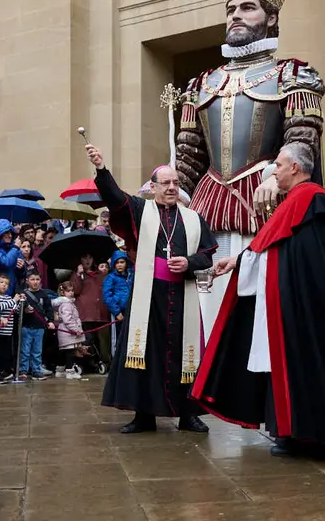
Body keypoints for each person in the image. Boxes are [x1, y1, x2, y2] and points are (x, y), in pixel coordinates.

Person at [196, 142, 325, 457]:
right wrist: (238, 261)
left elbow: (302, 257)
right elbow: (275, 248)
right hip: (294, 301)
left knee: (305, 366)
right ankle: (292, 431)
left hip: (306, 304)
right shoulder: (295, 201)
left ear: (295, 168)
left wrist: (255, 265)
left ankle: (310, 434)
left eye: (278, 165)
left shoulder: (311, 199)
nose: (275, 171)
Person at [174, 0, 325, 338]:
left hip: (264, 202)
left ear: (271, 18)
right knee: (205, 303)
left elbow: (302, 138)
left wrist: (276, 175)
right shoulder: (201, 83)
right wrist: (171, 192)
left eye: (247, 7)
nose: (236, 16)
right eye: (231, 9)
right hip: (207, 205)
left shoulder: (292, 74)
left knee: (259, 306)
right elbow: (189, 154)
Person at [88, 142, 217, 435]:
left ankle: (189, 415)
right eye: (166, 183)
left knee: (187, 354)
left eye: (175, 182)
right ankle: (143, 416)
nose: (171, 187)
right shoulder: (139, 209)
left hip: (182, 296)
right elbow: (114, 198)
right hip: (149, 297)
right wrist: (101, 169)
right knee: (144, 353)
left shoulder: (193, 219)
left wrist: (189, 262)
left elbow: (208, 254)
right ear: (154, 186)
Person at [70, 252, 110, 369]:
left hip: (102, 313)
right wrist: (78, 274)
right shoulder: (76, 275)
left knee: (104, 342)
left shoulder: (101, 275)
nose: (87, 260)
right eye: (84, 257)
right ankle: (88, 364)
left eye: (90, 257)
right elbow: (75, 290)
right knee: (87, 341)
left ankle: (105, 363)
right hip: (85, 314)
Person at [17, 269, 55, 381]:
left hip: (40, 327)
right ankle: (23, 370)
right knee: (25, 350)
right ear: (27, 281)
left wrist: (51, 321)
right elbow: (17, 310)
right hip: (26, 326)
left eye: (37, 279)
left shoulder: (44, 294)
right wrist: (25, 310)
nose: (35, 282)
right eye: (32, 279)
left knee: (37, 351)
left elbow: (49, 309)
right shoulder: (23, 294)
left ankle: (36, 370)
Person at [101, 250, 133, 358]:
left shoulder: (131, 276)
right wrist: (116, 311)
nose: (119, 265)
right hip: (118, 310)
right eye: (117, 262)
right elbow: (107, 296)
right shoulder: (110, 278)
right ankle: (116, 358)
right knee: (117, 336)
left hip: (130, 309)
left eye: (122, 262)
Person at [53, 281, 85, 380]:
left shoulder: (67, 303)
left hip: (65, 332)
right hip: (68, 333)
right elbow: (68, 319)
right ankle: (70, 371)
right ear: (63, 292)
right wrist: (76, 329)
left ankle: (60, 370)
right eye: (68, 291)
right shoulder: (66, 304)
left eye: (72, 291)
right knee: (70, 352)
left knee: (64, 351)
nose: (71, 293)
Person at [0, 219, 24, 294]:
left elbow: (22, 273)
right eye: (6, 233)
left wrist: (22, 267)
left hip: (14, 289)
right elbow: (5, 263)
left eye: (11, 233)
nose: (10, 235)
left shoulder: (13, 247)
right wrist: (15, 248)